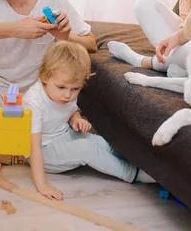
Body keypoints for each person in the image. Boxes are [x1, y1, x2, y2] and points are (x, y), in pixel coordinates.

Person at [23, 40, 156, 201]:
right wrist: (42, 185)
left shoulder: (66, 92)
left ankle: (141, 161)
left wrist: (76, 120)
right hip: (43, 152)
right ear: (44, 77)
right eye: (61, 88)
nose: (68, 95)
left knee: (101, 143)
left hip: (63, 136)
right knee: (85, 148)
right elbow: (33, 147)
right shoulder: (34, 102)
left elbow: (70, 111)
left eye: (75, 89)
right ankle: (133, 173)